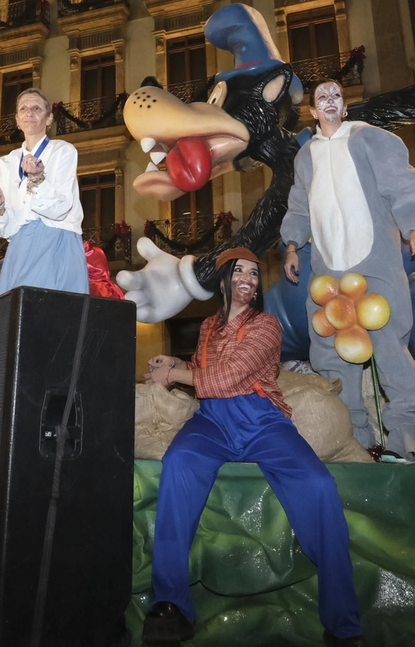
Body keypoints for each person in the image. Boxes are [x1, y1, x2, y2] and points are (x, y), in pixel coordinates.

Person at [142, 248, 361, 647]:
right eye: (239, 270)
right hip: (212, 422)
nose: (248, 278)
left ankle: (343, 625)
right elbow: (204, 373)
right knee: (178, 463)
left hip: (262, 421)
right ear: (223, 279)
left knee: (319, 486)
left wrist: (175, 373)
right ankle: (170, 606)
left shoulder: (268, 325)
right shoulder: (208, 326)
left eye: (255, 273)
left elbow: (229, 376)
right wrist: (171, 365)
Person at [281, 79, 415, 457]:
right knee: (331, 349)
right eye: (322, 98)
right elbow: (299, 207)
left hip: (374, 260)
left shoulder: (371, 139)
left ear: (344, 106)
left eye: (336, 95)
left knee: (389, 342)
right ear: (313, 111)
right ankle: (352, 434)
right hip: (327, 270)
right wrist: (291, 245)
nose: (330, 101)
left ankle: (407, 431)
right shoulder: (305, 157)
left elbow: (401, 185)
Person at [0, 88, 89, 296]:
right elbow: (7, 230)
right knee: (18, 316)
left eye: (37, 108)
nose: (29, 112)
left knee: (55, 312)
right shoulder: (6, 162)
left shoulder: (63, 151)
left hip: (58, 240)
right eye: (23, 108)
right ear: (17, 120)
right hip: (20, 247)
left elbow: (61, 210)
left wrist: (38, 179)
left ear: (48, 119)